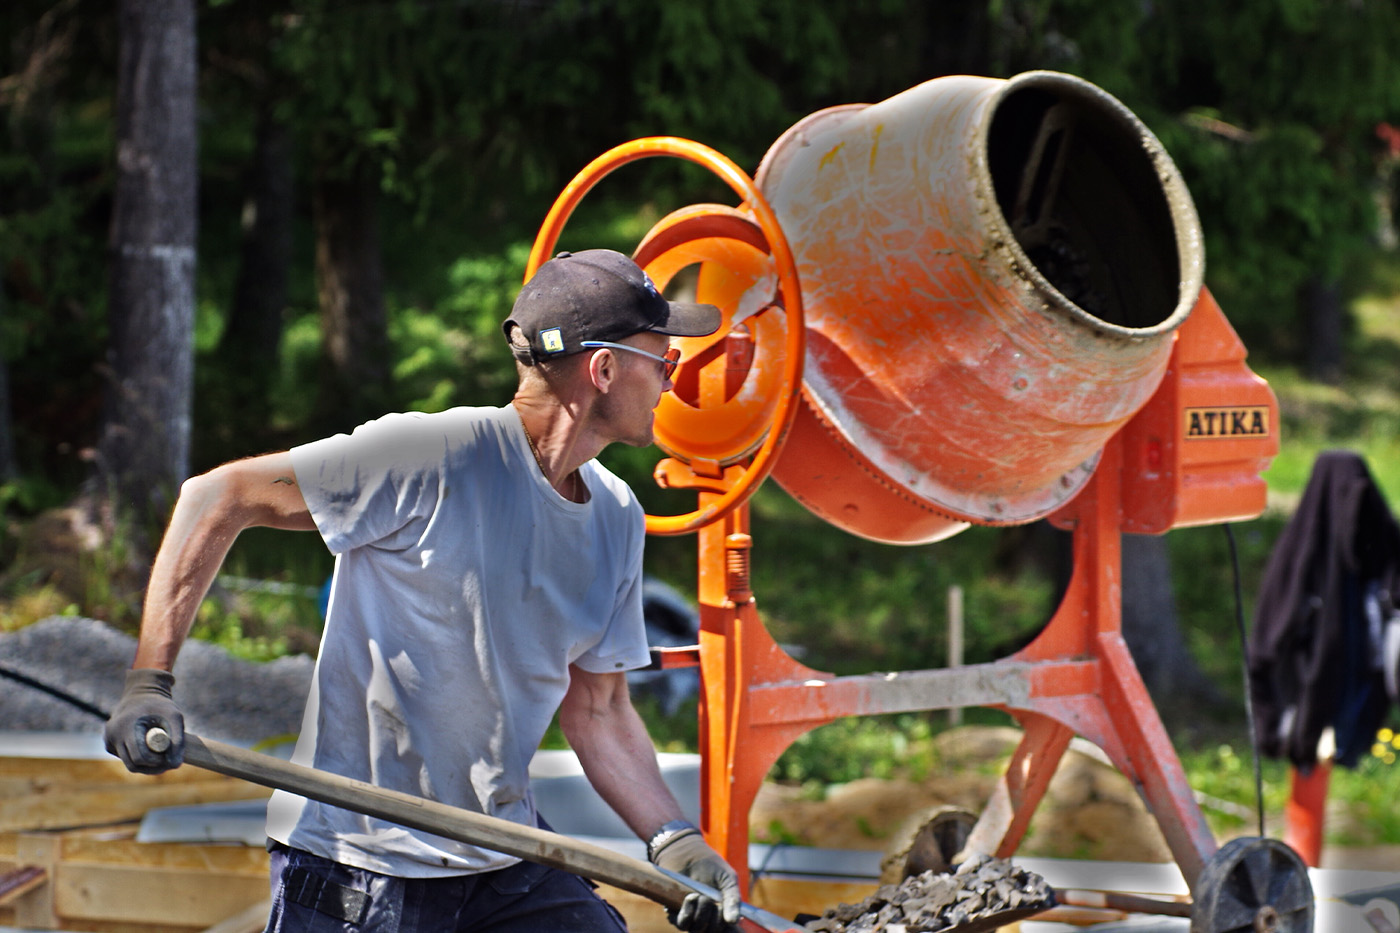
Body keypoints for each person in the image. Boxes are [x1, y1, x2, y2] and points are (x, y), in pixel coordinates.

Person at [103, 249, 742, 933]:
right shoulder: (435, 459)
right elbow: (216, 497)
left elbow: (601, 709)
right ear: (605, 368)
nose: (672, 380)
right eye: (663, 360)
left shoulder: (615, 516)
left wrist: (673, 837)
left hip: (503, 859)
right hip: (360, 869)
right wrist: (149, 682)